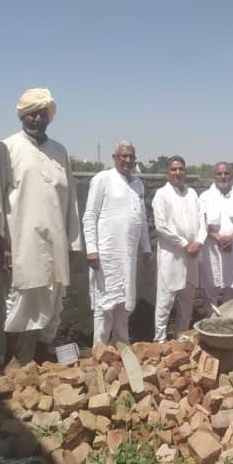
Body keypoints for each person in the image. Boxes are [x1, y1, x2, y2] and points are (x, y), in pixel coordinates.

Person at [0, 88, 82, 368]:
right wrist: (1, 244)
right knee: (19, 298)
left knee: (55, 299)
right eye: (31, 113)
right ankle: (11, 356)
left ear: (49, 117)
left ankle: (43, 351)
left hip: (56, 240)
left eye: (42, 113)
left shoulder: (60, 151)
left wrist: (73, 243)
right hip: (22, 242)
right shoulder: (6, 148)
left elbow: (71, 200)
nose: (37, 119)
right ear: (22, 116)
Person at [83, 140, 150, 346]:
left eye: (131, 157)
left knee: (124, 301)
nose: (127, 160)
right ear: (114, 158)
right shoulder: (102, 179)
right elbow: (90, 215)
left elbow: (142, 218)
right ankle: (100, 349)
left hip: (129, 254)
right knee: (105, 304)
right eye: (123, 156)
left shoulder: (137, 184)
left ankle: (121, 345)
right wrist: (92, 250)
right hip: (107, 253)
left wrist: (146, 248)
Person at [152, 156, 205, 342]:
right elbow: (162, 226)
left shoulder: (192, 194)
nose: (177, 173)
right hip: (172, 256)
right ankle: (159, 340)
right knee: (165, 300)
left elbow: (203, 221)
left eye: (181, 169)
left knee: (187, 300)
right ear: (167, 173)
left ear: (185, 172)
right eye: (173, 169)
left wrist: (199, 242)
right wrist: (184, 244)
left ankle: (182, 337)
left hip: (192, 256)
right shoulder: (162, 195)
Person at [198, 162, 233, 316]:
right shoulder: (205, 197)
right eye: (219, 174)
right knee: (210, 285)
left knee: (232, 286)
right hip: (211, 248)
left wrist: (230, 238)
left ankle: (229, 319)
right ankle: (210, 320)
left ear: (231, 175)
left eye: (226, 173)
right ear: (214, 176)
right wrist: (218, 238)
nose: (223, 176)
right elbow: (202, 223)